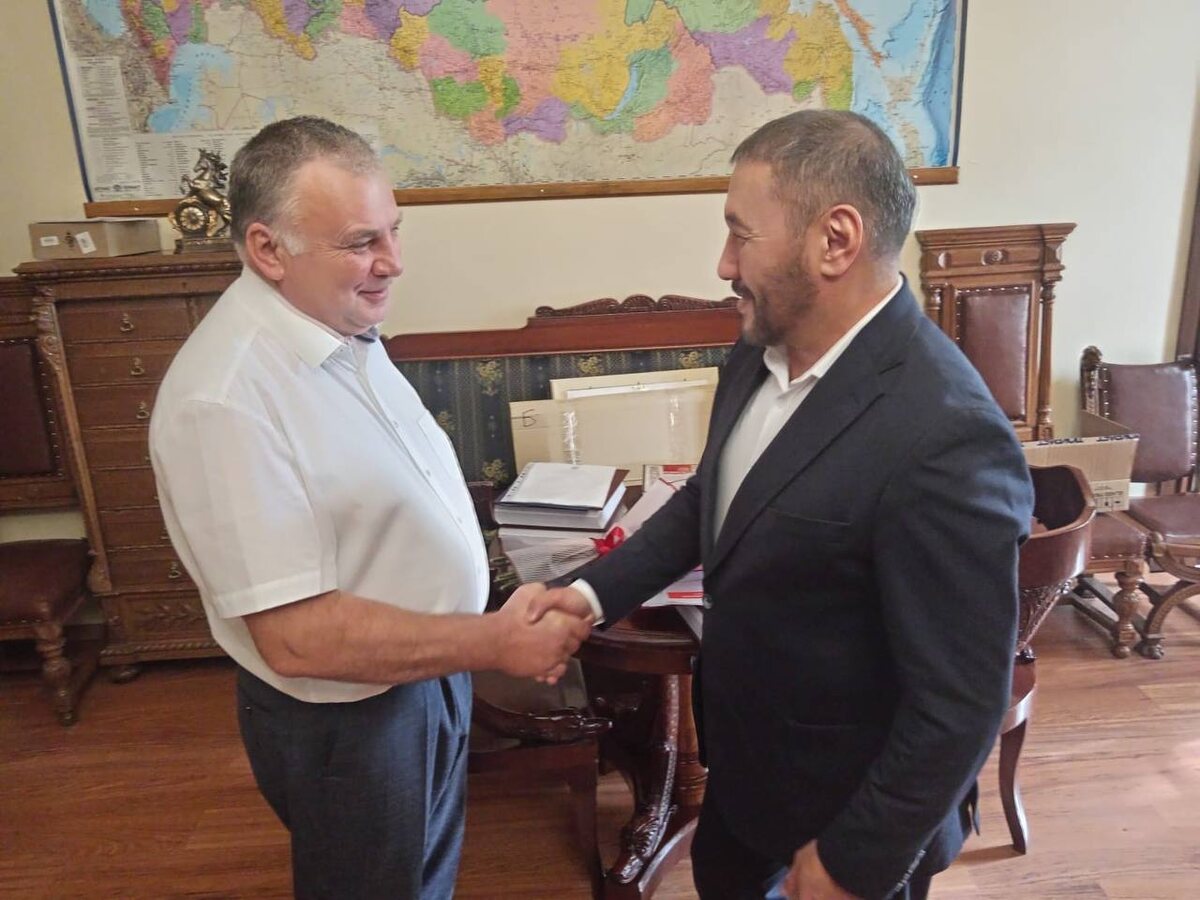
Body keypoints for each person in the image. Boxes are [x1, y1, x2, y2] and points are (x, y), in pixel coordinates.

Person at [528, 110, 1034, 899]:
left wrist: (853, 860)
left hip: (850, 817)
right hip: (744, 775)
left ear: (835, 240)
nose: (724, 263)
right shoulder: (757, 351)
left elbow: (961, 701)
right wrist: (590, 596)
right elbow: (712, 499)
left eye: (741, 234)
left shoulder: (946, 435)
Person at [149, 116, 591, 900]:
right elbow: (296, 637)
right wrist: (492, 640)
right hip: (351, 720)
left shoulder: (337, 322)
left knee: (420, 879)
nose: (393, 262)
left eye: (393, 230)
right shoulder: (225, 401)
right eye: (361, 243)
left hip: (423, 674)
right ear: (267, 249)